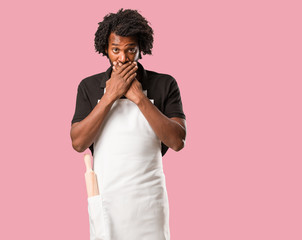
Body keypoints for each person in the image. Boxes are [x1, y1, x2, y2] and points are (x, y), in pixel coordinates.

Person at [70, 8, 186, 240]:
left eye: (130, 50)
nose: (123, 58)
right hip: (107, 201)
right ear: (105, 49)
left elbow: (177, 141)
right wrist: (110, 95)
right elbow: (79, 142)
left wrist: (140, 99)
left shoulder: (164, 84)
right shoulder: (89, 87)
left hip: (149, 202)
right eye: (115, 50)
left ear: (141, 49)